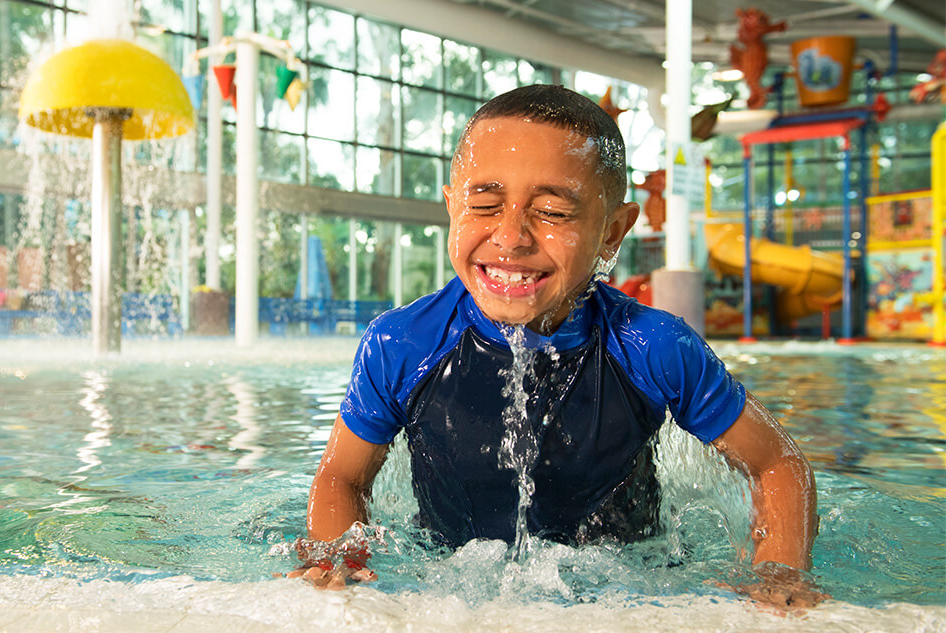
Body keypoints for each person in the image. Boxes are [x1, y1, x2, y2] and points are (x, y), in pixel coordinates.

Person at [289, 85, 822, 607]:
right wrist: (340, 559)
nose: (511, 236)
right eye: (485, 204)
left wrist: (778, 567)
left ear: (613, 231)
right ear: (452, 208)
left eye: (553, 213)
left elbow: (777, 462)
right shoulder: (402, 343)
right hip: (451, 587)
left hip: (631, 590)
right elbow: (343, 475)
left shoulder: (653, 347)